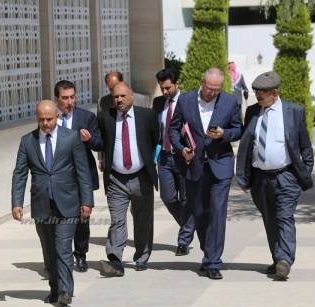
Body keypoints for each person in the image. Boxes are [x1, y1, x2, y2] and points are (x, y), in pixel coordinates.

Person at [11, 100, 93, 307]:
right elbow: (20, 173)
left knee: (63, 248)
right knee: (49, 252)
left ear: (57, 117)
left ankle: (66, 291)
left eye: (49, 119)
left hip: (67, 203)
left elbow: (82, 171)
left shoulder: (71, 138)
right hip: (42, 205)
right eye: (41, 120)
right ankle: (55, 288)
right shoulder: (27, 141)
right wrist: (17, 202)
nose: (46, 123)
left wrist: (87, 201)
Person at [236, 71, 314, 280]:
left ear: (275, 92)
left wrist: (304, 172)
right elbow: (247, 145)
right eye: (256, 93)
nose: (258, 96)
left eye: (262, 93)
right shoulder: (253, 111)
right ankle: (278, 257)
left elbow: (305, 146)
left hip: (286, 176)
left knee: (284, 217)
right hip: (260, 178)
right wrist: (243, 176)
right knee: (270, 219)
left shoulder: (293, 111)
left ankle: (285, 260)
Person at [169, 68, 243, 280]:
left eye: (216, 89)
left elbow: (238, 129)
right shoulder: (186, 101)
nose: (212, 93)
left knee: (217, 213)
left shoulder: (230, 102)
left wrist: (224, 134)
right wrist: (181, 149)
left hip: (221, 166)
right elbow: (173, 130)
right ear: (202, 83)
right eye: (209, 88)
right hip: (194, 165)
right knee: (199, 213)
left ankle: (213, 261)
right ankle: (208, 251)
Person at [97, 82, 159, 277]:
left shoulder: (147, 116)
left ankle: (141, 256)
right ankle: (115, 259)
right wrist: (89, 140)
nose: (119, 100)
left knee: (143, 220)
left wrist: (150, 161)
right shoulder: (105, 117)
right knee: (117, 220)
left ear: (131, 96)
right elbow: (100, 142)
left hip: (142, 177)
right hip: (116, 178)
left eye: (123, 96)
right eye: (116, 97)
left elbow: (155, 139)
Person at [54, 80, 102, 272]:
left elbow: (100, 144)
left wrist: (89, 140)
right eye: (65, 98)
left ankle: (81, 255)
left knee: (83, 217)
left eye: (72, 97)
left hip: (82, 177)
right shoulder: (51, 118)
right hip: (59, 177)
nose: (70, 102)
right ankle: (59, 257)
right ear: (57, 99)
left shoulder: (86, 117)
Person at [152, 68, 195, 256]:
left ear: (177, 84)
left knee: (186, 200)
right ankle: (189, 225)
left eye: (168, 88)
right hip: (164, 156)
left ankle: (183, 241)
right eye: (162, 88)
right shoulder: (158, 103)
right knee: (168, 197)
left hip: (183, 157)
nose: (165, 92)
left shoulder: (188, 102)